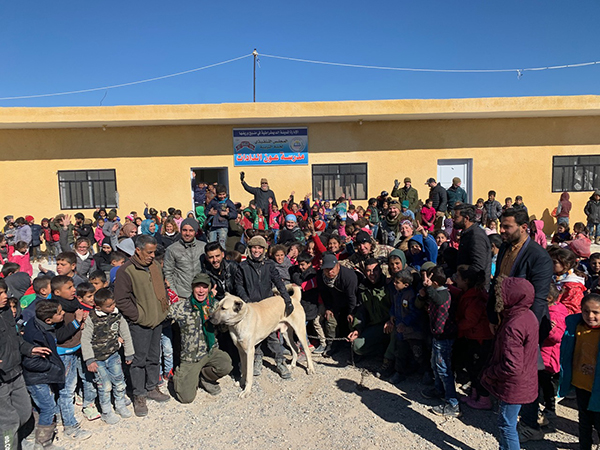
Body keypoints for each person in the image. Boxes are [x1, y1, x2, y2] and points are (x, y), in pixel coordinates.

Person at [488, 208, 553, 442]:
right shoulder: (506, 246)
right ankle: (508, 409)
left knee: (527, 373)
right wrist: (492, 316)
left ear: (524, 228)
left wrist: (526, 333)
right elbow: (497, 283)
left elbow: (538, 298)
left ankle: (529, 424)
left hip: (525, 326)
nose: (501, 231)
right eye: (501, 226)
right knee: (509, 368)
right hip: (504, 320)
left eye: (507, 227)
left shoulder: (539, 257)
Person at [114, 235, 171, 417]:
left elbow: (161, 287)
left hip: (157, 320)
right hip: (140, 324)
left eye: (154, 252)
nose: (152, 255)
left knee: (154, 356)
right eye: (149, 252)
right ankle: (139, 395)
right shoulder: (126, 271)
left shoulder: (154, 266)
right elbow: (121, 300)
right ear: (137, 250)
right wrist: (139, 316)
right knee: (138, 360)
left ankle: (152, 387)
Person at [23, 299, 92, 447]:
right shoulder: (38, 335)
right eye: (60, 313)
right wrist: (54, 367)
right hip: (38, 377)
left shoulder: (39, 324)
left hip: (40, 376)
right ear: (48, 319)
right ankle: (46, 441)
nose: (63, 314)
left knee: (41, 405)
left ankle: (34, 435)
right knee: (50, 405)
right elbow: (32, 362)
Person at [481, 277, 540, 450]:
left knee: (507, 425)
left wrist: (491, 373)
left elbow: (512, 366)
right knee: (509, 423)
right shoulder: (528, 315)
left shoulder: (513, 326)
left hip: (514, 384)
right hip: (527, 378)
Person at [0, 278, 52, 450]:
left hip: (15, 372)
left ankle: (14, 442)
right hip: (1, 380)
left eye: (4, 291)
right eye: (0, 293)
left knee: (23, 413)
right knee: (8, 422)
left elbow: (16, 339)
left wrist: (30, 349)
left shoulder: (7, 311)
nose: (5, 296)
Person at [234, 235, 294, 378]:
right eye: (254, 247)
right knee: (254, 335)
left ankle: (280, 360)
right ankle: (257, 359)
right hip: (251, 307)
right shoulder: (243, 267)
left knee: (272, 334)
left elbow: (279, 283)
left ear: (264, 250)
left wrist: (287, 300)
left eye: (259, 247)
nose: (256, 250)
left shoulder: (269, 265)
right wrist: (247, 301)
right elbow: (239, 286)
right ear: (249, 249)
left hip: (267, 306)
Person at [169, 273, 233, 403]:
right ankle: (182, 375)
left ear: (209, 289)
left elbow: (222, 329)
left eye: (204, 287)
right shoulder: (181, 307)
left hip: (210, 351)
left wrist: (226, 321)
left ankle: (205, 378)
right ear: (192, 288)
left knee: (226, 364)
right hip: (190, 357)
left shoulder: (214, 306)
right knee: (185, 398)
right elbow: (163, 316)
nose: (201, 290)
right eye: (198, 287)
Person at [81, 288, 134, 424]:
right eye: (109, 306)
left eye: (113, 304)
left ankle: (120, 405)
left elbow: (125, 333)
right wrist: (89, 360)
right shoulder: (92, 318)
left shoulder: (117, 315)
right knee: (104, 386)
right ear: (98, 307)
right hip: (97, 359)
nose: (113, 307)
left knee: (119, 381)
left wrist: (129, 353)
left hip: (113, 355)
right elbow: (85, 339)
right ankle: (106, 412)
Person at [558, 293, 600, 450]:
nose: (590, 316)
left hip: (597, 387)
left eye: (596, 312)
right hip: (581, 383)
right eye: (586, 311)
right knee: (584, 421)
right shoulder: (576, 328)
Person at [419, 265, 459, 418]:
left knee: (443, 368)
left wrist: (427, 287)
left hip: (444, 338)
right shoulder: (439, 292)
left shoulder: (443, 295)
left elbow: (436, 299)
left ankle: (453, 403)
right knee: (435, 365)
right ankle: (439, 389)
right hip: (438, 336)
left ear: (434, 282)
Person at [453, 265, 493, 410]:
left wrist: (455, 325)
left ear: (466, 281)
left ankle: (484, 400)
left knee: (478, 369)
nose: (455, 279)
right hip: (474, 337)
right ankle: (474, 394)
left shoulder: (475, 299)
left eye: (458, 277)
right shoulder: (471, 294)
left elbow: (470, 320)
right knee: (472, 367)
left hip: (480, 338)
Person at [386, 269, 425, 385]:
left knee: (418, 353)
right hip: (401, 331)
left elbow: (416, 312)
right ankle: (400, 373)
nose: (394, 284)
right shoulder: (397, 293)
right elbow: (394, 305)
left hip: (412, 331)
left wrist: (405, 323)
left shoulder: (411, 295)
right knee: (400, 352)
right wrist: (392, 315)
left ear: (406, 284)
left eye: (397, 282)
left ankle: (426, 372)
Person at [347, 259, 392, 358]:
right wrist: (358, 329)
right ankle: (380, 351)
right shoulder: (363, 288)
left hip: (391, 325)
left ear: (380, 271)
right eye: (368, 270)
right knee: (357, 346)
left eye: (375, 270)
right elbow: (362, 311)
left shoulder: (389, 285)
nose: (372, 273)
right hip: (375, 326)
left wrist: (391, 320)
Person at [317, 253, 359, 356]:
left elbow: (352, 297)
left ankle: (352, 346)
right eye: (326, 269)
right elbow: (324, 293)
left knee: (352, 321)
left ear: (338, 265)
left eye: (332, 268)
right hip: (334, 302)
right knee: (330, 320)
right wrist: (329, 308)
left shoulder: (348, 276)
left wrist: (351, 312)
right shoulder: (321, 277)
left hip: (351, 302)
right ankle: (332, 344)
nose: (330, 272)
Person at [538, 284, 567, 425]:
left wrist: (550, 328)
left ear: (548, 298)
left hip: (548, 356)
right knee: (540, 382)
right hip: (543, 352)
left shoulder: (556, 314)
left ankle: (550, 408)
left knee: (545, 383)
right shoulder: (550, 309)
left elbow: (558, 337)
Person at [163, 218, 205, 301]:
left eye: (191, 230)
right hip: (181, 295)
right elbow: (168, 273)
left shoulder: (203, 247)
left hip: (201, 294)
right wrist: (174, 294)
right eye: (184, 230)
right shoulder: (172, 249)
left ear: (195, 232)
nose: (187, 233)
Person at [453, 203, 491, 286]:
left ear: (466, 218)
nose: (453, 220)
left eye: (456, 217)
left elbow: (479, 266)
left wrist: (459, 277)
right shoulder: (467, 233)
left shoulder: (476, 236)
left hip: (475, 288)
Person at [206, 184, 237, 249]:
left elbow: (234, 214)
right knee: (211, 244)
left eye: (223, 194)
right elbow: (206, 211)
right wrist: (210, 213)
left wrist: (227, 214)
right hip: (213, 226)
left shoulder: (228, 202)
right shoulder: (213, 201)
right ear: (217, 194)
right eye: (220, 194)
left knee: (221, 243)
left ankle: (222, 256)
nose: (222, 196)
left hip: (223, 226)